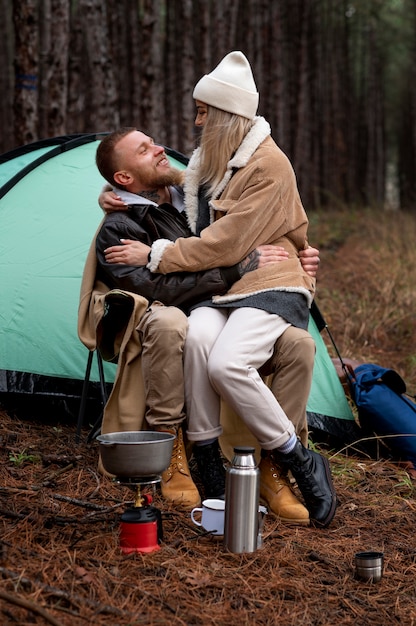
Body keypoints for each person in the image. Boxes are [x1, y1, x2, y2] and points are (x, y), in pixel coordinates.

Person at [105, 52, 337, 528]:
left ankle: (296, 458)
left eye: (204, 111)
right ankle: (207, 458)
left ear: (228, 115)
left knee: (228, 363)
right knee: (196, 340)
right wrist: (117, 191)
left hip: (270, 284)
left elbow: (222, 243)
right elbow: (191, 178)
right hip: (228, 293)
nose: (195, 121)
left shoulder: (270, 166)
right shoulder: (224, 159)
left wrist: (153, 254)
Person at [93, 127, 310, 513]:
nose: (161, 148)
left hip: (234, 304)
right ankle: (177, 445)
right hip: (193, 310)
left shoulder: (192, 195)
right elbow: (158, 290)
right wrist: (231, 272)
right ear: (123, 179)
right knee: (181, 328)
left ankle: (276, 467)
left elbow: (260, 220)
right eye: (145, 150)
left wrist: (301, 256)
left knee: (300, 345)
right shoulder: (118, 228)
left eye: (153, 141)